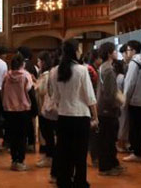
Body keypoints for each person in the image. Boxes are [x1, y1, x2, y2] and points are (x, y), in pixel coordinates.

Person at [52, 40, 98, 188]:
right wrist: (95, 117)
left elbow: (56, 97)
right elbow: (89, 97)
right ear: (75, 51)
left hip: (63, 116)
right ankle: (80, 181)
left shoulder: (55, 71)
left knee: (64, 151)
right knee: (80, 152)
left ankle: (63, 180)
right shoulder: (82, 70)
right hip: (80, 116)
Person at [95, 42, 124, 177]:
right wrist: (117, 104)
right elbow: (110, 93)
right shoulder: (108, 69)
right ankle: (106, 167)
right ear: (109, 53)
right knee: (107, 139)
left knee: (108, 139)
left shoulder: (104, 67)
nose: (116, 53)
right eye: (114, 51)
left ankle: (111, 163)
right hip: (107, 110)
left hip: (104, 109)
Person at [1, 53, 34, 171]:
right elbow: (30, 92)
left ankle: (14, 159)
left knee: (12, 136)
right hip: (23, 110)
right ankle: (20, 160)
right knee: (22, 136)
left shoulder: (6, 76)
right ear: (22, 64)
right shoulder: (26, 76)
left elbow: (2, 91)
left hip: (9, 110)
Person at [35, 50, 56, 169]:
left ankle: (50, 157)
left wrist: (35, 85)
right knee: (45, 132)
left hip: (47, 108)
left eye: (38, 60)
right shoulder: (43, 74)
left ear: (43, 62)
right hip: (42, 107)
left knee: (48, 134)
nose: (37, 62)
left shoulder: (47, 74)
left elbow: (42, 90)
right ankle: (48, 155)